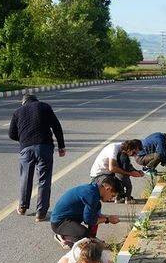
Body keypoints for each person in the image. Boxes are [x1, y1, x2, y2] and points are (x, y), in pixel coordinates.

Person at [9, 94, 66, 222]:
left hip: (26, 149)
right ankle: (41, 213)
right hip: (44, 147)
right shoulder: (45, 107)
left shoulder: (17, 112)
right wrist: (61, 146)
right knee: (44, 179)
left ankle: (22, 207)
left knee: (25, 177)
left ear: (23, 103)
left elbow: (11, 134)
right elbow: (57, 127)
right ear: (36, 100)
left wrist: (23, 138)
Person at [49, 175, 123, 249]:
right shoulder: (92, 195)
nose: (111, 199)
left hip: (70, 218)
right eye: (112, 195)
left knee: (97, 207)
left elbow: (94, 216)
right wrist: (108, 219)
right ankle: (63, 237)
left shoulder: (94, 190)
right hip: (59, 223)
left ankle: (92, 238)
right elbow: (89, 221)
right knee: (83, 234)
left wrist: (108, 217)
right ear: (108, 188)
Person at [89, 139, 144, 204]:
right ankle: (103, 196)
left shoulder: (123, 152)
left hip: (109, 174)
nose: (134, 155)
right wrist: (130, 173)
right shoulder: (114, 149)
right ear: (129, 149)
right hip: (99, 176)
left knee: (119, 182)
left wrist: (136, 171)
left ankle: (119, 197)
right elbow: (112, 168)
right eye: (134, 153)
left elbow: (125, 166)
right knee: (112, 186)